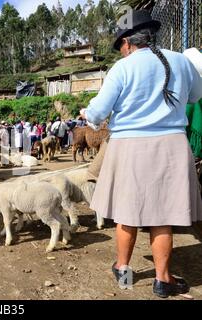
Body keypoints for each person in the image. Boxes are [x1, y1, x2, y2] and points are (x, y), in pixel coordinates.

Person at [80, 11, 202, 298]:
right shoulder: (182, 61)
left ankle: (123, 269)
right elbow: (195, 96)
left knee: (127, 214)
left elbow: (98, 112)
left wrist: (87, 113)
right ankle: (163, 280)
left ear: (126, 43)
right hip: (171, 145)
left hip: (129, 147)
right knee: (163, 216)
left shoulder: (121, 69)